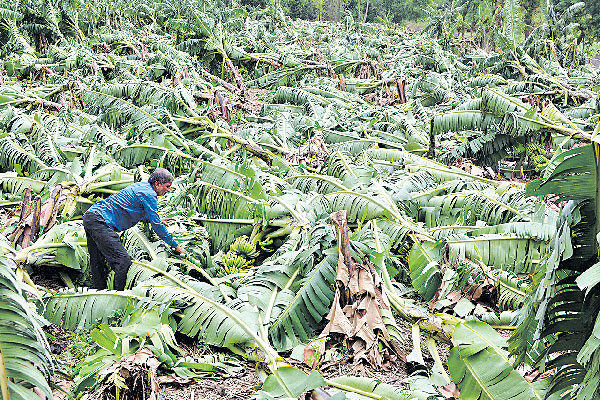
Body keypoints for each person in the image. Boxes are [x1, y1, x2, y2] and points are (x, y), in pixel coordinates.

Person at [82, 168, 187, 291]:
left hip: (91, 216)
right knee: (123, 261)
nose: (168, 190)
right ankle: (117, 295)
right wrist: (175, 246)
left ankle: (99, 291)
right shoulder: (149, 195)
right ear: (157, 184)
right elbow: (157, 227)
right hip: (100, 221)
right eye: (167, 186)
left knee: (98, 260)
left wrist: (154, 219)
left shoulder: (142, 186)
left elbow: (134, 210)